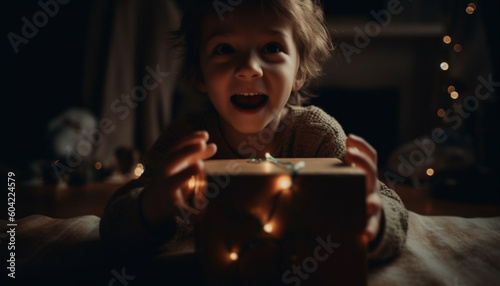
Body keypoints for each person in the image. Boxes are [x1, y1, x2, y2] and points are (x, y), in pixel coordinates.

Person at [100, 0, 408, 264]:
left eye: (272, 48)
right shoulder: (189, 139)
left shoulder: (316, 135)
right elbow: (114, 223)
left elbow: (394, 213)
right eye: (224, 49)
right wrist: (153, 204)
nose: (249, 68)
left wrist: (374, 218)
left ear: (299, 71)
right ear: (199, 74)